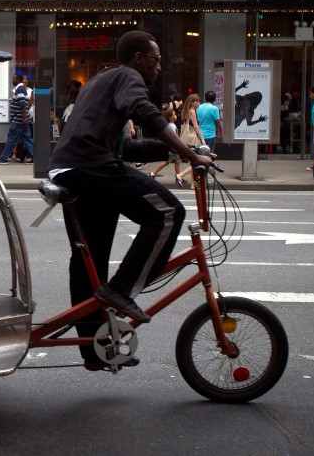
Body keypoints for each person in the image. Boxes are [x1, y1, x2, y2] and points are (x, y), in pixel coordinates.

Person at [48, 31, 212, 371]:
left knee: (87, 259)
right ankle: (122, 290)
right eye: (156, 60)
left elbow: (125, 149)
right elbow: (145, 115)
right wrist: (190, 156)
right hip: (90, 167)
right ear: (139, 58)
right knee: (168, 212)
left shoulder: (101, 80)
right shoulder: (128, 76)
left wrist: (183, 151)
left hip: (70, 168)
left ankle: (93, 349)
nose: (159, 67)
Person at [0, 74, 34, 165]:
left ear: (18, 80)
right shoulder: (22, 89)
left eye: (14, 79)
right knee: (28, 140)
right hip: (23, 120)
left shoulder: (19, 89)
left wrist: (23, 118)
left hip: (18, 121)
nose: (12, 81)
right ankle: (36, 158)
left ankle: (3, 159)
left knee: (11, 139)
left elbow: (23, 104)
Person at [175, 93, 206, 188]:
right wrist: (202, 138)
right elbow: (196, 126)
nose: (199, 103)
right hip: (193, 139)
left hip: (188, 138)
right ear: (192, 103)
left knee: (193, 162)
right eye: (197, 101)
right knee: (197, 162)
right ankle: (180, 175)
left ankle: (194, 185)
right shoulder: (192, 111)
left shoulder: (188, 111)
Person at [148, 107, 183, 181]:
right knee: (169, 162)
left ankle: (178, 177)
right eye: (174, 115)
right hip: (172, 147)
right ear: (170, 118)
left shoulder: (170, 125)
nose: (176, 116)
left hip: (172, 147)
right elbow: (173, 137)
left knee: (176, 162)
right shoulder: (172, 126)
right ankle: (152, 173)